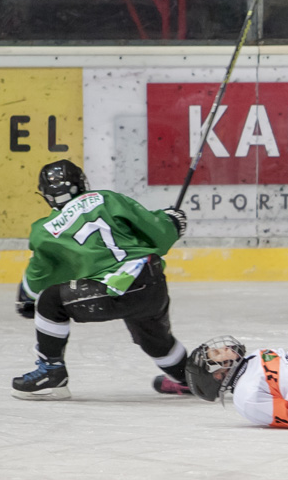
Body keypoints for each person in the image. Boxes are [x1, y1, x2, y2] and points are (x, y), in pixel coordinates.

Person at [11, 159, 192, 400]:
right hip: (151, 281)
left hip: (118, 288)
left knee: (50, 301)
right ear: (81, 183)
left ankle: (51, 371)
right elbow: (159, 235)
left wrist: (26, 297)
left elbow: (38, 277)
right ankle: (190, 379)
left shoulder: (44, 231)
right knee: (155, 340)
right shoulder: (107, 198)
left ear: (46, 195)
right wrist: (171, 221)